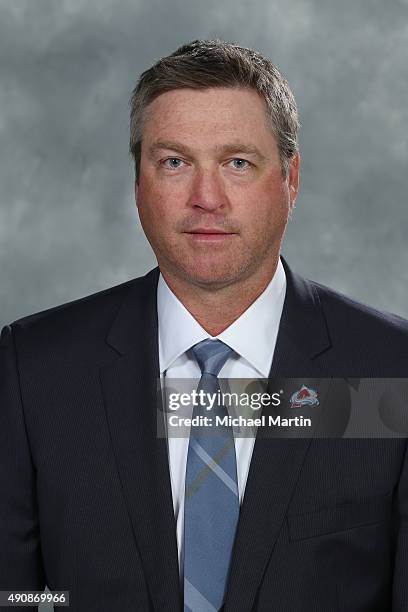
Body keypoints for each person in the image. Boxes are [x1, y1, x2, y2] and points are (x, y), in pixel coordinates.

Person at [1, 39, 407, 612]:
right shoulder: (34, 369)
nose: (206, 198)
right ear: (138, 182)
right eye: (174, 162)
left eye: (238, 163)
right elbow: (15, 595)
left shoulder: (391, 370)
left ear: (290, 179)